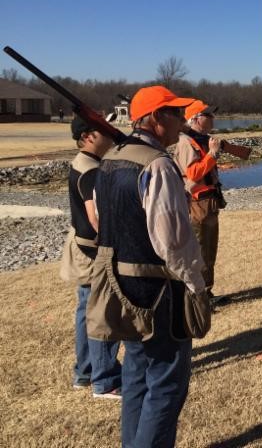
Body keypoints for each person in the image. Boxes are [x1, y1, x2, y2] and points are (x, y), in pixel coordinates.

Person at [92, 86, 207, 447]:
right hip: (158, 292)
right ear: (156, 118)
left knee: (137, 378)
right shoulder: (157, 165)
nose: (181, 121)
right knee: (167, 384)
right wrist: (196, 286)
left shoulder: (110, 159)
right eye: (175, 113)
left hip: (120, 288)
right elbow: (172, 240)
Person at [60, 114, 122, 399]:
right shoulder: (91, 170)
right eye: (102, 130)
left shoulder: (83, 163)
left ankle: (85, 372)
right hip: (91, 251)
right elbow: (96, 217)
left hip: (81, 248)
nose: (110, 134)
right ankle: (105, 379)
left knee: (86, 311)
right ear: (87, 136)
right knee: (102, 314)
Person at [174, 100, 225, 305]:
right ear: (195, 119)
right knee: (201, 250)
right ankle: (198, 298)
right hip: (198, 204)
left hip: (208, 203)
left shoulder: (200, 139)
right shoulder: (187, 142)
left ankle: (207, 293)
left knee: (209, 249)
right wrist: (212, 154)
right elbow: (193, 173)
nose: (212, 119)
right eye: (208, 115)